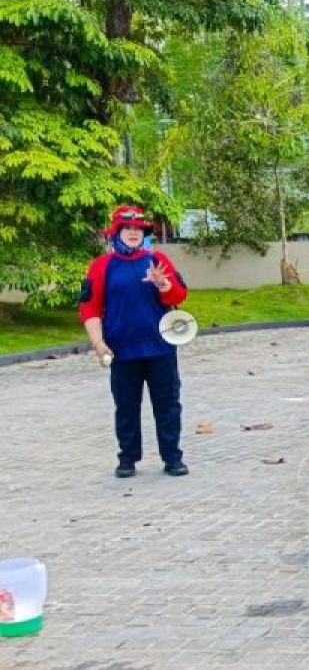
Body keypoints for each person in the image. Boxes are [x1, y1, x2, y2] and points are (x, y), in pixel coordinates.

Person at [79, 205, 190, 478]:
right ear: (116, 232)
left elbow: (177, 296)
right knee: (126, 408)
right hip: (122, 350)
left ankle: (172, 457)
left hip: (160, 348)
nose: (133, 233)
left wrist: (162, 283)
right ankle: (127, 458)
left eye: (138, 230)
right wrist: (97, 342)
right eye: (127, 229)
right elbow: (89, 307)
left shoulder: (157, 259)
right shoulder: (102, 266)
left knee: (168, 405)